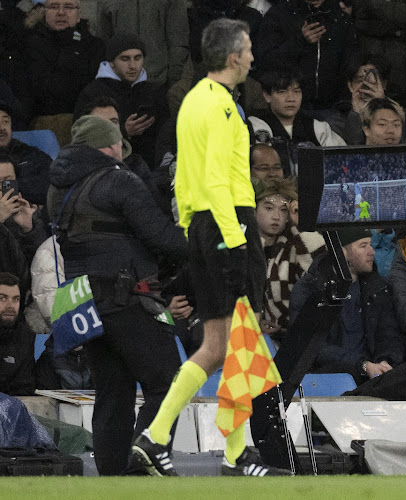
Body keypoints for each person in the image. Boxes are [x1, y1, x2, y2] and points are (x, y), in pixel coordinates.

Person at [131, 19, 287, 478]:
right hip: (227, 223)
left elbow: (185, 176)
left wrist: (190, 231)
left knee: (223, 343)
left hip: (203, 225)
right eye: (250, 50)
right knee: (239, 337)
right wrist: (235, 239)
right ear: (234, 56)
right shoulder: (218, 107)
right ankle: (215, 449)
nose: (254, 58)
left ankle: (180, 441)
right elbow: (218, 179)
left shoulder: (194, 101)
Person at [45, 115, 187, 475]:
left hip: (87, 303)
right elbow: (162, 238)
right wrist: (209, 243)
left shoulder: (58, 187)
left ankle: (113, 483)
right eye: (117, 144)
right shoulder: (119, 179)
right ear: (107, 146)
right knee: (169, 382)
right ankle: (143, 463)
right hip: (130, 297)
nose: (121, 150)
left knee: (112, 394)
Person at [288, 228, 404, 383]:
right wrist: (362, 366)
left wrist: (385, 361)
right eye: (363, 246)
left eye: (371, 245)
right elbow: (310, 346)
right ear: (342, 252)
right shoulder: (310, 289)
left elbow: (390, 334)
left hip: (372, 380)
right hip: (326, 379)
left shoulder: (378, 287)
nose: (372, 252)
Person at [74, 33, 169, 168]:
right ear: (112, 63)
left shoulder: (155, 91)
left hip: (151, 168)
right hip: (106, 167)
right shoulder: (93, 93)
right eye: (125, 59)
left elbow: (166, 135)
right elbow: (81, 136)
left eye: (138, 58)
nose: (132, 65)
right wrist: (123, 132)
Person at [254, 0, 359, 111]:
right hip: (290, 106)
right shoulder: (279, 14)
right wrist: (300, 41)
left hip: (333, 108)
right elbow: (266, 60)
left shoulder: (340, 17)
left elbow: (349, 63)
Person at [254, 178, 324, 339]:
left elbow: (318, 267)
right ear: (255, 210)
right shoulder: (243, 246)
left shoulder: (294, 244)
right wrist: (256, 323)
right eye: (269, 208)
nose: (276, 216)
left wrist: (300, 223)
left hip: (293, 334)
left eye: (284, 210)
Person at [252, 67, 345, 175]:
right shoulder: (255, 126)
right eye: (282, 92)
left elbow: (340, 162)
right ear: (267, 96)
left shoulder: (318, 128)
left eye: (296, 91)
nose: (291, 98)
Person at [23, 0, 105, 120]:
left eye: (68, 7)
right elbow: (43, 91)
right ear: (45, 13)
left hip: (88, 119)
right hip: (44, 121)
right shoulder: (30, 45)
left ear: (78, 15)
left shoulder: (96, 46)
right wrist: (69, 48)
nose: (61, 13)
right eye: (54, 7)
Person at [97, 0, 190, 88]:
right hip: (118, 84)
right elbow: (103, 43)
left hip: (159, 82)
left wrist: (173, 80)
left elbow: (178, 42)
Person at [0, 100, 52, 206]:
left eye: (5, 121)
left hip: (30, 214)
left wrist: (8, 186)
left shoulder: (31, 155)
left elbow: (51, 185)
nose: (2, 128)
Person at [0, 272, 35, 397]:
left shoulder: (25, 336)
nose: (10, 306)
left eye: (16, 299)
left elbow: (25, 387)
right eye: (2, 298)